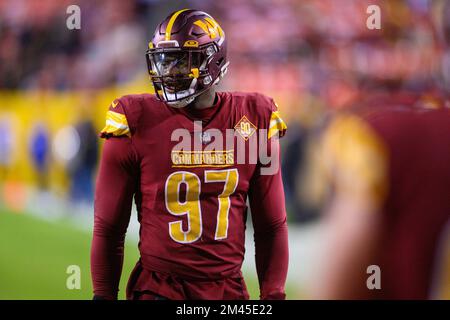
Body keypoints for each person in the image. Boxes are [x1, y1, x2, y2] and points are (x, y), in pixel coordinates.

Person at [90, 9, 289, 300]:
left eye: (181, 62)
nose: (169, 73)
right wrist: (103, 295)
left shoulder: (255, 119)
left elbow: (271, 226)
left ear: (214, 60)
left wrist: (273, 295)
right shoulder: (134, 120)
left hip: (228, 293)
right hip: (158, 290)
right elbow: (109, 227)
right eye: (164, 61)